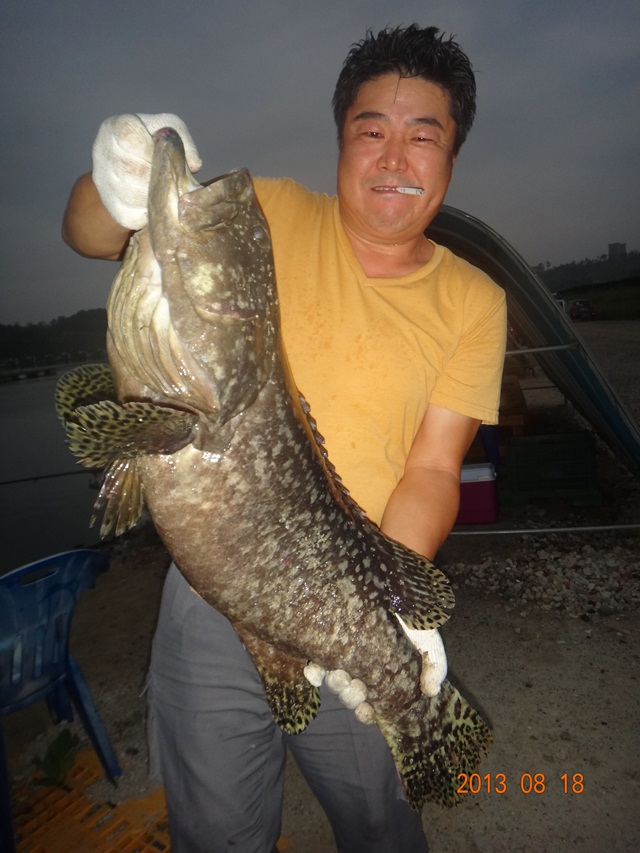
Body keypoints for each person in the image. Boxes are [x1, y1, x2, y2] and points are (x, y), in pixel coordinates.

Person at [62, 24, 506, 853]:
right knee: (214, 833)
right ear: (341, 140)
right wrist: (113, 181)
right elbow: (93, 235)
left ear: (452, 154)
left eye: (423, 136)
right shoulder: (262, 214)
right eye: (371, 131)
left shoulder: (475, 301)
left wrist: (385, 609)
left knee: (381, 830)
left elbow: (434, 468)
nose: (394, 158)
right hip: (206, 598)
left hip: (348, 597)